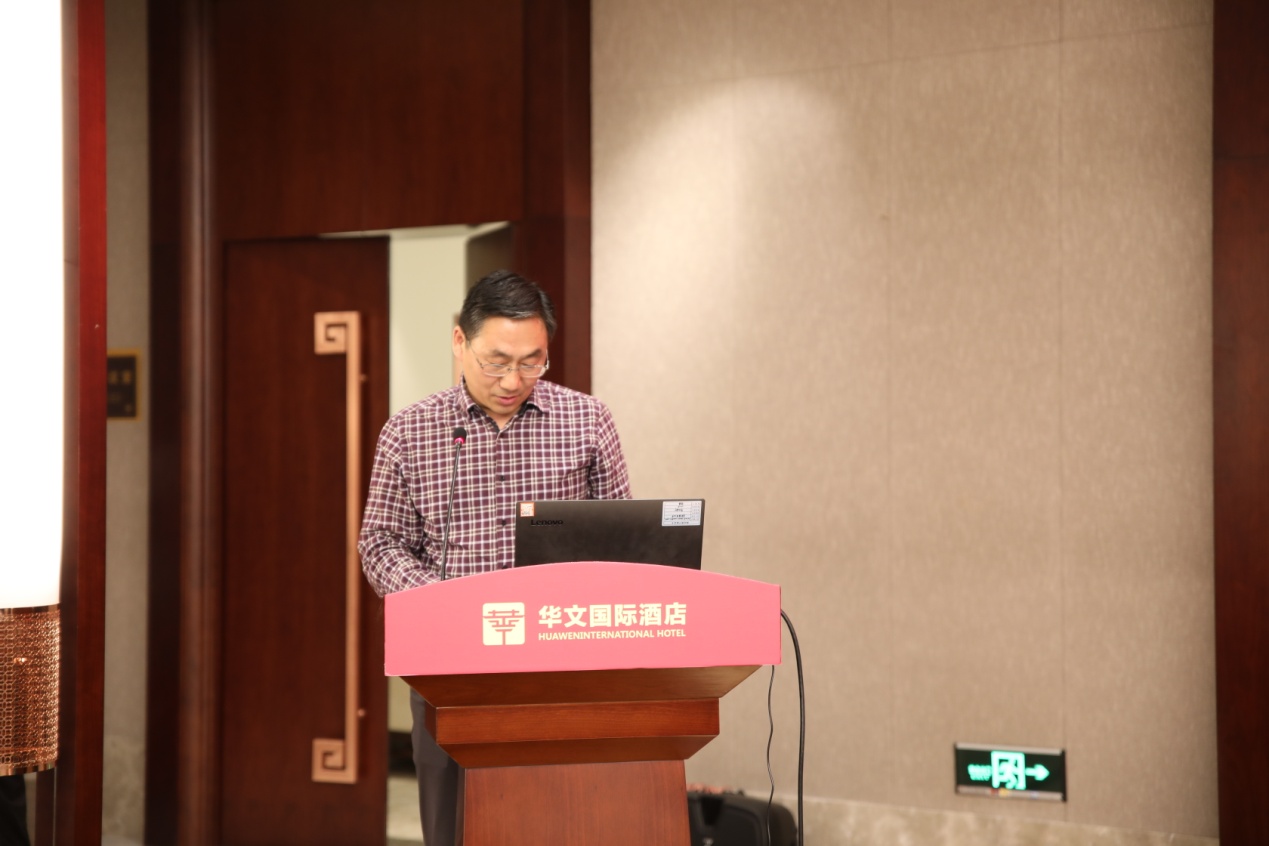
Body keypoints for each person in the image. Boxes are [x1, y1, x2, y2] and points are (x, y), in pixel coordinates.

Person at [358, 269, 632, 845]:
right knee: (453, 826)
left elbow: (622, 541)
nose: (512, 380)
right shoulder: (408, 432)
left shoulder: (588, 422)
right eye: (496, 361)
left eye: (532, 362)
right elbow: (379, 543)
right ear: (460, 341)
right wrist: (444, 601)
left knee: (561, 823)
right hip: (448, 669)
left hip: (560, 666)